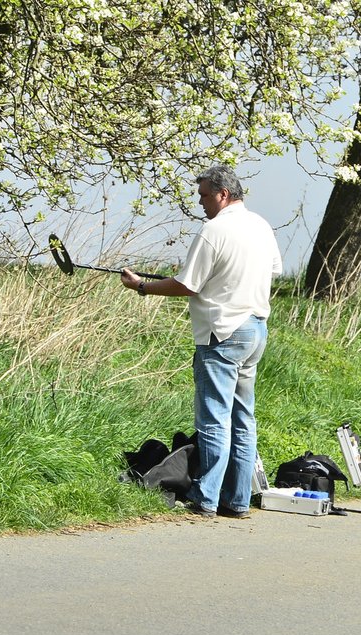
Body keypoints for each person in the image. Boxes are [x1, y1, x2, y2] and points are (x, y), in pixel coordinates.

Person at [120, 165, 282, 518]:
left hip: (222, 333)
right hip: (255, 330)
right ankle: (237, 500)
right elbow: (272, 270)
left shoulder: (214, 230)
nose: (201, 203)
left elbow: (187, 285)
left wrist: (142, 286)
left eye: (205, 195)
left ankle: (206, 497)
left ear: (223, 194)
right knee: (244, 419)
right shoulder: (261, 226)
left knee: (214, 420)